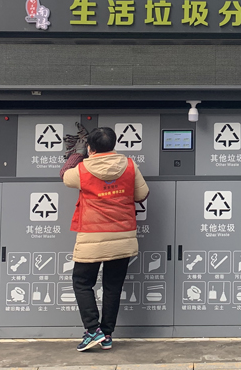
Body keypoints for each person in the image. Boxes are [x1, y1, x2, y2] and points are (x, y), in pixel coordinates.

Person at [60, 126, 149, 352]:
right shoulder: (130, 166)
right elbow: (142, 194)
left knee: (82, 283)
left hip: (92, 236)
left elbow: (65, 174)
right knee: (112, 287)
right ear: (113, 145)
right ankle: (106, 334)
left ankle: (93, 330)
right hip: (122, 235)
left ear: (91, 148)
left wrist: (77, 154)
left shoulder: (82, 169)